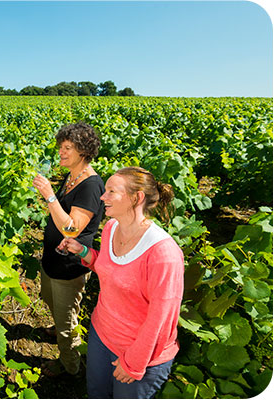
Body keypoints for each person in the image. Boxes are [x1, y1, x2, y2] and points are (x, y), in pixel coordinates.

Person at [58, 166, 184, 398]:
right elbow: (109, 269)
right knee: (96, 394)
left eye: (111, 192)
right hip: (101, 335)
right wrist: (83, 251)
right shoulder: (111, 227)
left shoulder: (163, 254)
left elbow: (162, 319)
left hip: (138, 353)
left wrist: (134, 363)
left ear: (137, 198)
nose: (102, 197)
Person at [32, 122, 105, 376]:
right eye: (60, 147)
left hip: (69, 267)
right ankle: (58, 326)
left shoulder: (91, 186)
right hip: (53, 260)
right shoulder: (72, 176)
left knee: (67, 325)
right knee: (51, 301)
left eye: (67, 148)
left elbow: (72, 230)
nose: (60, 152)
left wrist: (49, 196)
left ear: (83, 152)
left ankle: (70, 366)